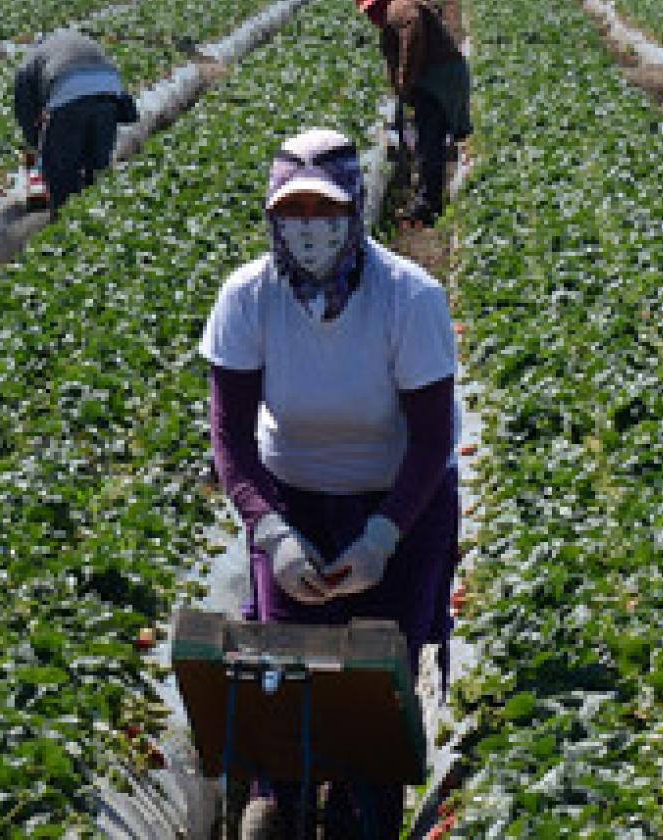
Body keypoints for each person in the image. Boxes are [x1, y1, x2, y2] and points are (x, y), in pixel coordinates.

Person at [200, 128, 460, 839]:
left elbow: (434, 440)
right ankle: (277, 804)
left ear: (355, 210)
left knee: (376, 682)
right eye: (295, 213)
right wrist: (274, 533)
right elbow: (231, 438)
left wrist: (382, 537)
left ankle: (361, 811)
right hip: (291, 497)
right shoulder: (248, 297)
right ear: (272, 216)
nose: (310, 229)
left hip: (400, 501)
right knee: (283, 678)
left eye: (326, 212)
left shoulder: (410, 299)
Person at [358, 0, 472, 227]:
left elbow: (413, 34)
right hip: (435, 78)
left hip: (438, 78)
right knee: (428, 139)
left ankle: (428, 204)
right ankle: (427, 197)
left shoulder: (398, 8)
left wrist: (405, 80)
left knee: (429, 140)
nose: (370, 16)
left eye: (371, 9)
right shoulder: (393, 14)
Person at [12, 29, 138, 211]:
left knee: (60, 171)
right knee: (97, 165)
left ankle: (65, 222)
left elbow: (26, 111)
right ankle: (98, 215)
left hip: (69, 95)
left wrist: (37, 146)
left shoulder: (30, 61)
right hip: (110, 92)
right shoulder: (81, 41)